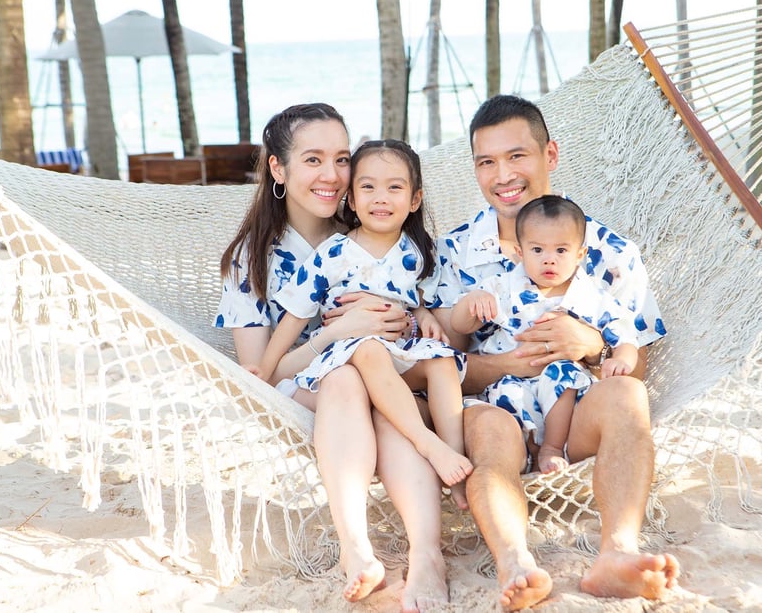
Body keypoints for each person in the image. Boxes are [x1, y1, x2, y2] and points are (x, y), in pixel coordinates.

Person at [431, 94, 680, 610]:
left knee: (628, 396)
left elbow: (641, 364)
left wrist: (592, 346)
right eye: (486, 161)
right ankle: (516, 563)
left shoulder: (610, 252)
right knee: (487, 428)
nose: (503, 175)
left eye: (517, 155)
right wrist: (504, 365)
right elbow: (429, 367)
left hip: (579, 409)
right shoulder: (453, 254)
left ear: (551, 155)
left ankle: (617, 553)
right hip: (500, 410)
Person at [214, 104, 451, 610]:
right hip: (310, 390)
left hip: (388, 376)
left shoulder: (377, 217)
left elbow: (421, 298)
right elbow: (263, 373)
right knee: (347, 379)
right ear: (279, 169)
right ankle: (356, 550)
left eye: (342, 159)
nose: (332, 175)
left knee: (376, 390)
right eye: (313, 159)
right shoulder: (251, 259)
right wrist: (338, 334)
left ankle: (427, 555)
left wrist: (406, 320)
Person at [258, 139, 472, 509]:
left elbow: (423, 302)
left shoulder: (421, 251)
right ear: (352, 200)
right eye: (368, 187)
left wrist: (420, 316)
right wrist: (264, 368)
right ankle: (426, 441)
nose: (381, 198)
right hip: (351, 355)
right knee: (369, 348)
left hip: (401, 353)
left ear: (415, 199)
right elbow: (295, 315)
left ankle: (454, 465)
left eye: (395, 187)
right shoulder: (334, 252)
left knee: (441, 360)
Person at [450, 194, 643, 474]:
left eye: (561, 251)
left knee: (564, 375)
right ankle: (524, 454)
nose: (549, 260)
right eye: (538, 250)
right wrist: (473, 303)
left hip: (562, 394)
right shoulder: (503, 287)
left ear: (580, 254)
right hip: (510, 380)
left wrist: (621, 360)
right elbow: (459, 325)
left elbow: (625, 335)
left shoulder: (591, 296)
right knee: (507, 393)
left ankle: (551, 448)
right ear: (520, 252)